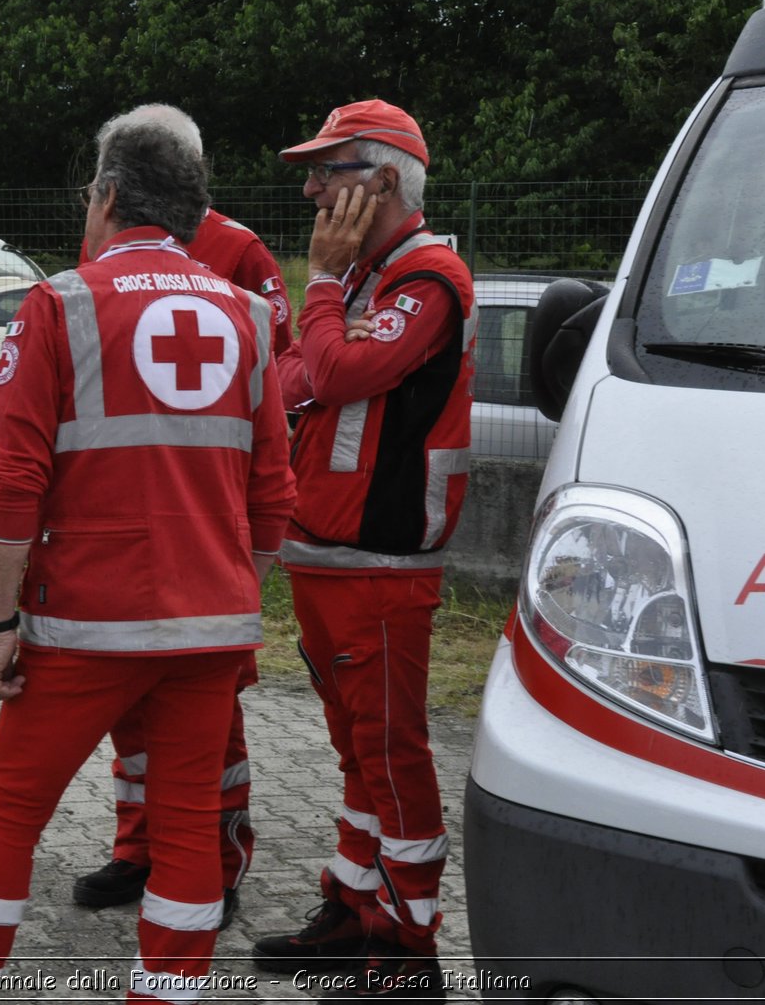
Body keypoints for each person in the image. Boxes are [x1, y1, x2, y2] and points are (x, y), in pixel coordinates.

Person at [0, 105, 296, 1001]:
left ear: (110, 195)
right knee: (190, 830)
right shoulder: (248, 314)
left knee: (8, 813)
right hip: (209, 629)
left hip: (86, 622)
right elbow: (274, 494)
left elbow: (13, 484)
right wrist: (239, 599)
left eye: (90, 193)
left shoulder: (58, 303)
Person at [250, 99, 475, 1001]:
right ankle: (354, 909)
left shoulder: (426, 278)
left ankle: (411, 949)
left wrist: (319, 293)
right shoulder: (361, 278)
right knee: (353, 754)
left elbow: (333, 372)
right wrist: (327, 317)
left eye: (329, 168)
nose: (311, 186)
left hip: (382, 566)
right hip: (326, 556)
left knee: (391, 754)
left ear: (383, 179)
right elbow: (292, 376)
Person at [68, 108, 293, 927]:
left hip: (205, 519)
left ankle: (216, 856)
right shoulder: (109, 245)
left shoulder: (240, 251)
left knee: (210, 716)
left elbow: (280, 363)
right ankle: (139, 845)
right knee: (131, 709)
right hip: (124, 522)